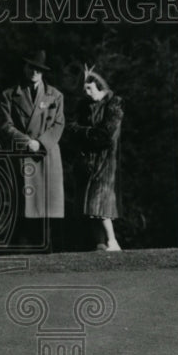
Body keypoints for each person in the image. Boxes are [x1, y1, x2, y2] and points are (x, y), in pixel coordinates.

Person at [0, 50, 65, 250]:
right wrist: (26, 141)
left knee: (47, 207)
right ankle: (21, 249)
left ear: (43, 72)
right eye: (31, 67)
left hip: (47, 154)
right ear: (24, 68)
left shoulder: (56, 95)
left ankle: (48, 248)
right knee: (23, 205)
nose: (34, 72)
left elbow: (59, 124)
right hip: (23, 154)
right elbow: (5, 125)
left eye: (38, 69)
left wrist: (41, 143)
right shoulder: (9, 95)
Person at [66, 65, 123, 252]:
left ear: (100, 86)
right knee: (87, 204)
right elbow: (71, 128)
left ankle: (112, 241)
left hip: (105, 162)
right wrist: (89, 133)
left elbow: (105, 135)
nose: (86, 92)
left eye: (89, 88)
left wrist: (85, 133)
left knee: (100, 203)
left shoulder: (113, 104)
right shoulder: (84, 106)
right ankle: (100, 243)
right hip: (86, 161)